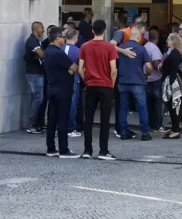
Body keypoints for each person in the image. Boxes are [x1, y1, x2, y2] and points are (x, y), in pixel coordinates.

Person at [79, 19, 119, 160]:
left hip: (91, 85)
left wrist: (87, 81)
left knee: (88, 118)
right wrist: (111, 84)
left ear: (92, 31)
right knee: (105, 119)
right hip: (106, 85)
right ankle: (103, 150)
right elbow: (113, 70)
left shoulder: (84, 46)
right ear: (105, 30)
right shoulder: (110, 48)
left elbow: (80, 68)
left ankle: (87, 150)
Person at [43, 27, 80, 158]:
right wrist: (72, 70)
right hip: (63, 90)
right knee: (63, 119)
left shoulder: (47, 51)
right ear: (58, 39)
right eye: (63, 38)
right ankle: (64, 149)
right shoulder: (58, 53)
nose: (64, 40)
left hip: (52, 88)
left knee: (52, 120)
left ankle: (51, 148)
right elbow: (74, 68)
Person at [118, 27, 153, 141]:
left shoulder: (121, 48)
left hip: (123, 81)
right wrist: (148, 74)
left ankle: (123, 132)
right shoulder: (142, 49)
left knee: (123, 107)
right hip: (138, 82)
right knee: (142, 107)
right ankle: (145, 133)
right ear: (138, 37)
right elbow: (148, 67)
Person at [161, 33, 182, 139]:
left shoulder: (175, 53)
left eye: (168, 39)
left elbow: (172, 69)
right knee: (172, 106)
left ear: (173, 41)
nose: (167, 41)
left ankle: (175, 130)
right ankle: (174, 128)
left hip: (172, 81)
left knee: (174, 106)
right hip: (172, 80)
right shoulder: (175, 52)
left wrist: (170, 83)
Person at [24, 21, 45, 134]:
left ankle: (36, 123)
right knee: (38, 98)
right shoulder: (32, 41)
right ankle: (31, 124)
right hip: (34, 73)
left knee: (37, 97)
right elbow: (42, 54)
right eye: (42, 28)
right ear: (37, 29)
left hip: (37, 73)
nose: (43, 30)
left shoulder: (37, 40)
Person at [61, 29, 82, 138]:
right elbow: (80, 68)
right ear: (75, 38)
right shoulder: (78, 51)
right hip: (74, 80)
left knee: (61, 105)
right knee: (72, 105)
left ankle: (60, 127)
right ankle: (70, 128)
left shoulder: (60, 48)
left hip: (60, 80)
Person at [145, 29, 165, 132]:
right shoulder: (155, 49)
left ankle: (150, 124)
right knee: (157, 104)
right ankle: (157, 125)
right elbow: (156, 63)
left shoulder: (145, 47)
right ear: (157, 38)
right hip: (155, 79)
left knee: (149, 104)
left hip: (147, 80)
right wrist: (164, 70)